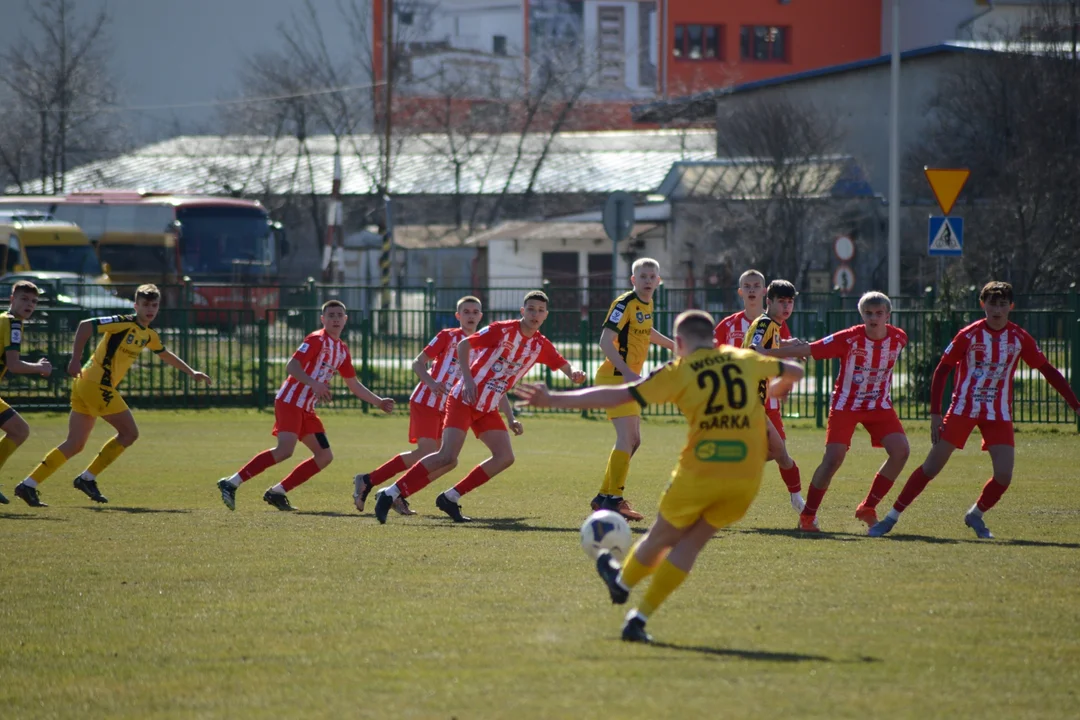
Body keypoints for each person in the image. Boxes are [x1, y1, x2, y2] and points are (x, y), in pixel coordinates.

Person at [518, 310, 804, 642]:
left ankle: (622, 582)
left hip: (701, 470)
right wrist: (778, 389)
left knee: (661, 538)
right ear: (713, 338)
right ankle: (638, 617)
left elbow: (619, 394)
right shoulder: (745, 358)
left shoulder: (679, 371)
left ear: (679, 343)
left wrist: (553, 399)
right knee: (691, 545)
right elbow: (795, 368)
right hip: (746, 475)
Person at [870, 281, 1080, 539]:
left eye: (1003, 304)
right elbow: (942, 369)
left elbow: (1048, 371)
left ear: (1011, 307)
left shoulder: (1019, 337)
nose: (997, 309)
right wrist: (936, 414)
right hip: (962, 409)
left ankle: (975, 514)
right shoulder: (969, 335)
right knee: (931, 467)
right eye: (992, 303)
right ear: (983, 304)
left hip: (998, 413)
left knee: (1004, 475)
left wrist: (1075, 405)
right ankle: (891, 518)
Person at [372, 290, 586, 524]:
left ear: (546, 315)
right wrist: (469, 379)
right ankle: (390, 493)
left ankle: (450, 497)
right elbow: (464, 345)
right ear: (522, 311)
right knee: (446, 456)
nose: (536, 314)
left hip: (488, 406)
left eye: (541, 310)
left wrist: (574, 374)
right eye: (531, 309)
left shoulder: (540, 345)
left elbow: (562, 363)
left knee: (505, 457)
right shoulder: (501, 330)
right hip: (464, 399)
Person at [13, 284, 211, 507]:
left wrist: (191, 372)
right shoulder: (124, 322)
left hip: (85, 385)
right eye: (145, 305)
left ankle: (28, 485)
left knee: (75, 443)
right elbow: (85, 325)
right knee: (129, 433)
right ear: (135, 305)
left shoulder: (148, 334)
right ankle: (87, 478)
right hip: (97, 385)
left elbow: (164, 354)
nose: (150, 310)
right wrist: (75, 358)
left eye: (154, 305)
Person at [217, 300, 394, 511]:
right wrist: (314, 383)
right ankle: (231, 483)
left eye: (339, 315)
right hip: (290, 401)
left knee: (324, 456)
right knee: (285, 450)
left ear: (346, 320)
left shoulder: (342, 350)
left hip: (307, 409)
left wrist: (379, 401)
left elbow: (354, 384)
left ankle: (277, 492)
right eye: (331, 315)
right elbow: (291, 366)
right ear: (323, 319)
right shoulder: (316, 339)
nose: (335, 319)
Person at [352, 295, 518, 516]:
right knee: (428, 451)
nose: (470, 316)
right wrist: (431, 382)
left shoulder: (486, 345)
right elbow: (418, 362)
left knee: (449, 461)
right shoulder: (448, 336)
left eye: (475, 312)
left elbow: (495, 385)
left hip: (453, 408)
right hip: (428, 401)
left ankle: (398, 494)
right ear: (458, 316)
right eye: (466, 312)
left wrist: (510, 417)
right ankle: (369, 480)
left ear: (481, 316)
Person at [770, 292, 909, 532]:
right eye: (868, 313)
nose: (873, 318)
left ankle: (868, 507)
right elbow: (811, 349)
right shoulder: (850, 338)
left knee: (901, 452)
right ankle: (808, 515)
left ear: (888, 315)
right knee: (833, 458)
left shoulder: (899, 338)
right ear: (861, 314)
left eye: (878, 313)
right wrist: (767, 353)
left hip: (879, 405)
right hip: (846, 405)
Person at [589, 258, 675, 522]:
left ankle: (604, 496)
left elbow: (646, 332)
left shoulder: (646, 305)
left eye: (653, 277)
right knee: (626, 439)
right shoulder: (624, 303)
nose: (648, 281)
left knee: (634, 440)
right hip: (616, 378)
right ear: (633, 280)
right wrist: (627, 372)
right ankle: (613, 499)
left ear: (658, 281)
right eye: (643, 276)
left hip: (627, 380)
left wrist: (677, 347)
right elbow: (605, 341)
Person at [740, 278, 807, 512]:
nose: (786, 307)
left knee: (776, 452)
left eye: (790, 302)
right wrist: (791, 351)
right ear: (769, 302)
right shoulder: (766, 324)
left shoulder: (771, 325)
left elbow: (768, 345)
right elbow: (755, 351)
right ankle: (800, 503)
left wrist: (789, 342)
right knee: (781, 453)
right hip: (749, 399)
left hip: (753, 398)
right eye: (781, 302)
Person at [0, 281, 52, 504]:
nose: (29, 304)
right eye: (24, 299)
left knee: (19, 430)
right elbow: (13, 364)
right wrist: (40, 367)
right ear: (12, 300)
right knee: (19, 430)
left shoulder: (4, 319)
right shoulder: (13, 325)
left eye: (33, 301)